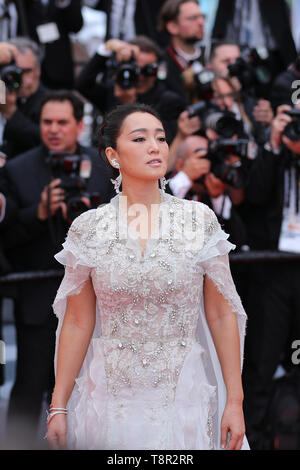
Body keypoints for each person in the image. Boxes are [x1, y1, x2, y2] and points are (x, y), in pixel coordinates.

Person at [46, 102, 249, 450]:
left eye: (161, 138)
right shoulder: (89, 229)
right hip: (109, 395)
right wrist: (58, 406)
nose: (155, 147)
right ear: (113, 155)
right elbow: (78, 322)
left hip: (184, 392)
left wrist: (234, 400)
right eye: (140, 139)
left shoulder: (199, 220)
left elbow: (220, 313)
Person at [3, 90, 114, 449]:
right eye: (47, 122)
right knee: (29, 387)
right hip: (37, 301)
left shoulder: (103, 168)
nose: (53, 130)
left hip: (96, 303)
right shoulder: (18, 170)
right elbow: (6, 239)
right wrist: (36, 214)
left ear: (80, 126)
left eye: (62, 122)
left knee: (89, 387)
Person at [241, 104, 300, 449]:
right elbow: (255, 194)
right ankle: (256, 441)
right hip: (273, 271)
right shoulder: (272, 151)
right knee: (262, 363)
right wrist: (275, 145)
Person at [75, 35, 185, 143]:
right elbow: (83, 84)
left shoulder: (169, 101)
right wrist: (107, 49)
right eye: (135, 69)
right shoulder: (113, 90)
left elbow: (161, 142)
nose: (141, 76)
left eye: (148, 70)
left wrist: (129, 105)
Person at [0, 38, 48, 159]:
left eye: (26, 71)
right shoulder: (1, 90)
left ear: (38, 70)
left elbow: (45, 140)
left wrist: (11, 112)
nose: (18, 77)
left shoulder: (49, 101)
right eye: (12, 71)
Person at [157, 0, 205, 101]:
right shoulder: (161, 61)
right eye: (192, 18)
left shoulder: (210, 57)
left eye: (202, 17)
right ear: (173, 27)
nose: (201, 22)